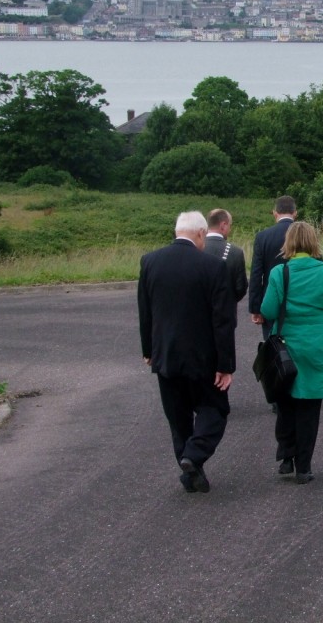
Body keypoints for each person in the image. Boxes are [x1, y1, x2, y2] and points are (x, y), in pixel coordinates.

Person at [138, 211, 236, 494]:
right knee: (215, 410)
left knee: (178, 417)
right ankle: (193, 457)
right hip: (203, 357)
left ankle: (191, 470)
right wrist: (225, 364)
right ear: (201, 234)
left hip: (165, 355)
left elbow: (145, 312)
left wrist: (148, 350)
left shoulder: (150, 262)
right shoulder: (213, 266)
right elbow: (223, 320)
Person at [260, 221, 323, 484]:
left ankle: (286, 457)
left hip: (286, 346)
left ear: (288, 243)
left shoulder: (279, 272)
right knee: (309, 408)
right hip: (316, 346)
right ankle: (304, 467)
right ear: (313, 242)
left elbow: (268, 311)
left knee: (285, 403)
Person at [249, 195, 297, 338]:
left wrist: (255, 307)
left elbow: (256, 274)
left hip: (271, 298)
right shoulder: (306, 235)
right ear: (295, 213)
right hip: (300, 297)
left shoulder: (263, 236)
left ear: (275, 213)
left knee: (273, 348)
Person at [204, 208, 248, 325]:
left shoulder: (195, 248)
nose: (230, 229)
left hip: (198, 317)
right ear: (223, 225)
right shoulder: (235, 252)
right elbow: (241, 288)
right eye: (230, 225)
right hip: (225, 316)